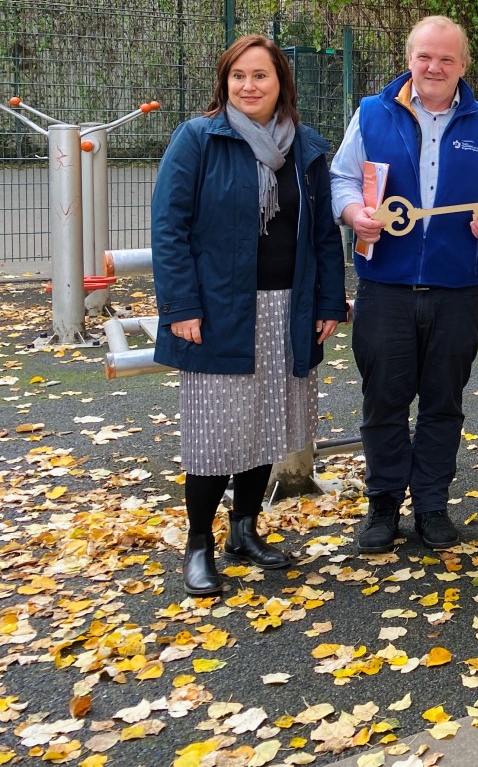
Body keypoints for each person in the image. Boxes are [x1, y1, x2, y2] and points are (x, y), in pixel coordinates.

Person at [152, 35, 347, 596]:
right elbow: (169, 229)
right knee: (214, 434)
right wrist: (181, 307)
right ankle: (198, 544)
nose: (249, 86)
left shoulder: (306, 148)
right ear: (225, 81)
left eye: (260, 75)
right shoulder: (198, 140)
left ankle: (244, 530)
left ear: (281, 81)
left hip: (288, 307)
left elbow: (322, 238)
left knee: (267, 425)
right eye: (239, 75)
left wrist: (328, 301)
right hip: (217, 311)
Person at [331, 15, 478, 553]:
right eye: (425, 57)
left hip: (457, 289)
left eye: (446, 59)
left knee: (443, 402)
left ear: (463, 66)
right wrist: (352, 212)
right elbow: (342, 177)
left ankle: (432, 503)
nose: (434, 67)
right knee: (383, 400)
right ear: (409, 57)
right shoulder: (371, 114)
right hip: (384, 287)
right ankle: (384, 504)